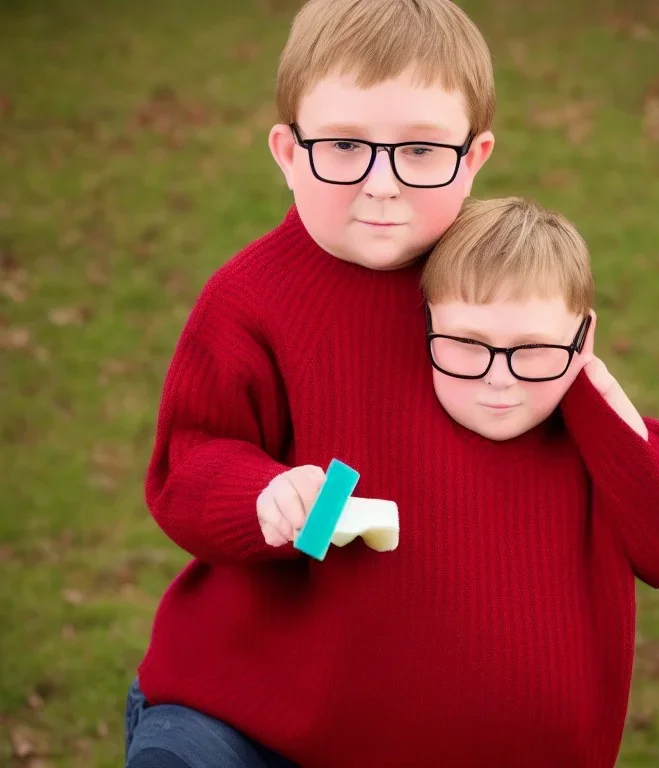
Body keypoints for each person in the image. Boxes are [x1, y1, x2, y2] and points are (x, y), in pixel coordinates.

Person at [125, 0, 500, 766]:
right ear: (288, 152)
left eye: (422, 150)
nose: (383, 183)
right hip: (240, 705)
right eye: (344, 146)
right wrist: (263, 494)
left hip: (413, 708)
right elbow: (189, 459)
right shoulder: (250, 298)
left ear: (475, 155)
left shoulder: (505, 290)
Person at [418, 196, 659, 764]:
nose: (498, 379)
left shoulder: (600, 456)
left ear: (583, 338)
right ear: (426, 323)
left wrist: (593, 397)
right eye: (467, 344)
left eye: (533, 350)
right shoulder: (382, 429)